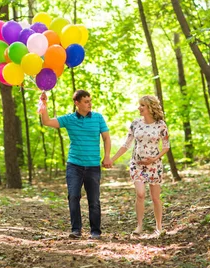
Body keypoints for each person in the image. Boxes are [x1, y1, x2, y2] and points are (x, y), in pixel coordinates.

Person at [40, 90, 112, 240]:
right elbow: (47, 122)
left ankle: (95, 231)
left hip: (93, 165)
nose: (89, 104)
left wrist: (106, 157)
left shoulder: (98, 118)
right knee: (73, 196)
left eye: (90, 101)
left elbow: (106, 138)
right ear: (77, 103)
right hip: (74, 165)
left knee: (94, 199)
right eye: (86, 101)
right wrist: (44, 105)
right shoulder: (69, 119)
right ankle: (76, 230)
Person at [110, 95, 170, 237]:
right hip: (136, 165)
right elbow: (126, 144)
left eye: (142, 105)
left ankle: (159, 227)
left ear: (150, 107)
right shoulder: (136, 123)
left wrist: (154, 158)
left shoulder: (161, 125)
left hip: (154, 166)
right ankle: (139, 226)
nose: (139, 108)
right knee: (140, 193)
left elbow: (166, 146)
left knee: (155, 198)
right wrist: (112, 159)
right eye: (139, 105)